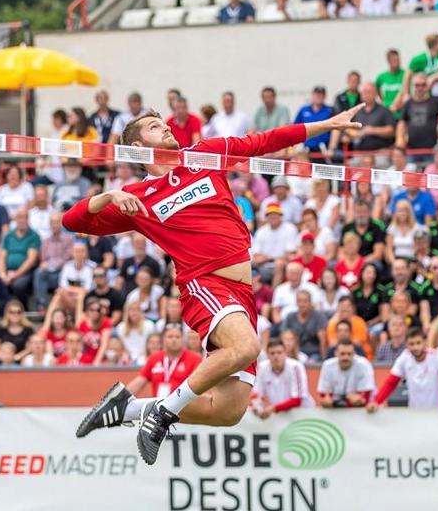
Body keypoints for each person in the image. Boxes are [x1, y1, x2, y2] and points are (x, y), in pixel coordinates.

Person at [68, 105, 362, 463]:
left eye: (164, 123)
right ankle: (162, 415)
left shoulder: (205, 154)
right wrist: (110, 196)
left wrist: (326, 126)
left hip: (242, 292)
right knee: (247, 346)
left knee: (227, 411)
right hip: (203, 284)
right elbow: (73, 221)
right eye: (154, 126)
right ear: (137, 147)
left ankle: (127, 409)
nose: (165, 128)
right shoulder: (137, 198)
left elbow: (266, 141)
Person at [367, 327, 438, 412]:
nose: (416, 347)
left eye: (418, 343)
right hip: (415, 414)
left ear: (425, 342)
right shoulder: (404, 357)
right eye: (411, 344)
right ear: (406, 345)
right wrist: (376, 402)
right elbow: (391, 382)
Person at [252, 338, 314, 420]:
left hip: (303, 414)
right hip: (280, 416)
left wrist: (273, 408)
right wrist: (257, 408)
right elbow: (257, 395)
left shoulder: (296, 367)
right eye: (272, 353)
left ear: (285, 353)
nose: (276, 356)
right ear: (267, 355)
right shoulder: (262, 368)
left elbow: (297, 400)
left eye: (279, 352)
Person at [317, 338, 376, 408]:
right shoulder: (327, 366)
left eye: (349, 354)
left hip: (361, 410)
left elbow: (365, 398)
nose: (346, 357)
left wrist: (336, 402)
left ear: (354, 354)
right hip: (334, 411)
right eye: (342, 354)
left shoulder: (363, 365)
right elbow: (323, 396)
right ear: (336, 353)